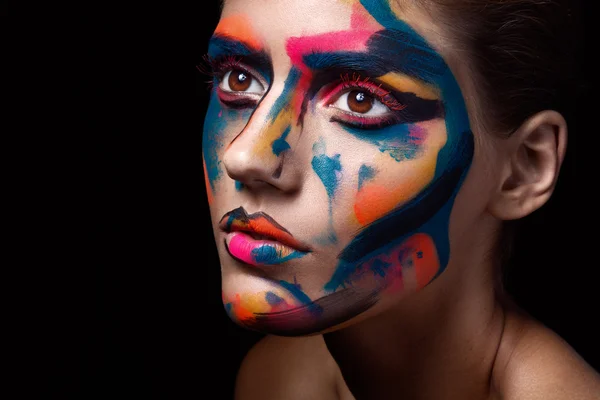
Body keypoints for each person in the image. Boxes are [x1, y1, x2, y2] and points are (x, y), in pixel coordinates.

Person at [200, 0, 599, 398]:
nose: (245, 156)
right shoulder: (276, 381)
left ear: (523, 170)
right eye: (238, 79)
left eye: (361, 100)